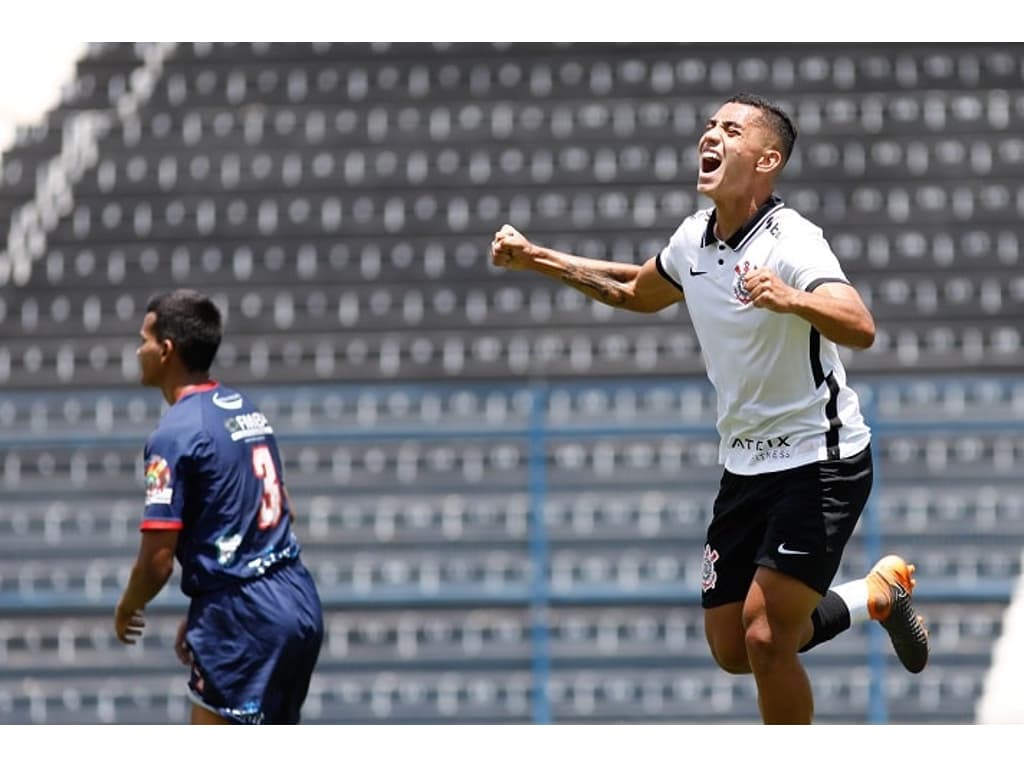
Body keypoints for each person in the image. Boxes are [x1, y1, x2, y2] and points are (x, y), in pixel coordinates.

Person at [490, 92, 929, 724]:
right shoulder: (693, 239)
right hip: (746, 466)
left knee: (765, 637)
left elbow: (860, 325)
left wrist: (789, 298)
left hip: (820, 459)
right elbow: (640, 291)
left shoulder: (793, 242)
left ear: (767, 158)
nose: (711, 135)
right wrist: (540, 260)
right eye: (709, 125)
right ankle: (876, 595)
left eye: (731, 128)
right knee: (732, 646)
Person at [114, 288, 323, 724]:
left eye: (144, 340)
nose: (139, 351)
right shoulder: (245, 410)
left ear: (166, 350)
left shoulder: (174, 435)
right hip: (296, 601)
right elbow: (283, 512)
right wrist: (205, 609)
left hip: (244, 618)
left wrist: (129, 606)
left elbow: (156, 561)